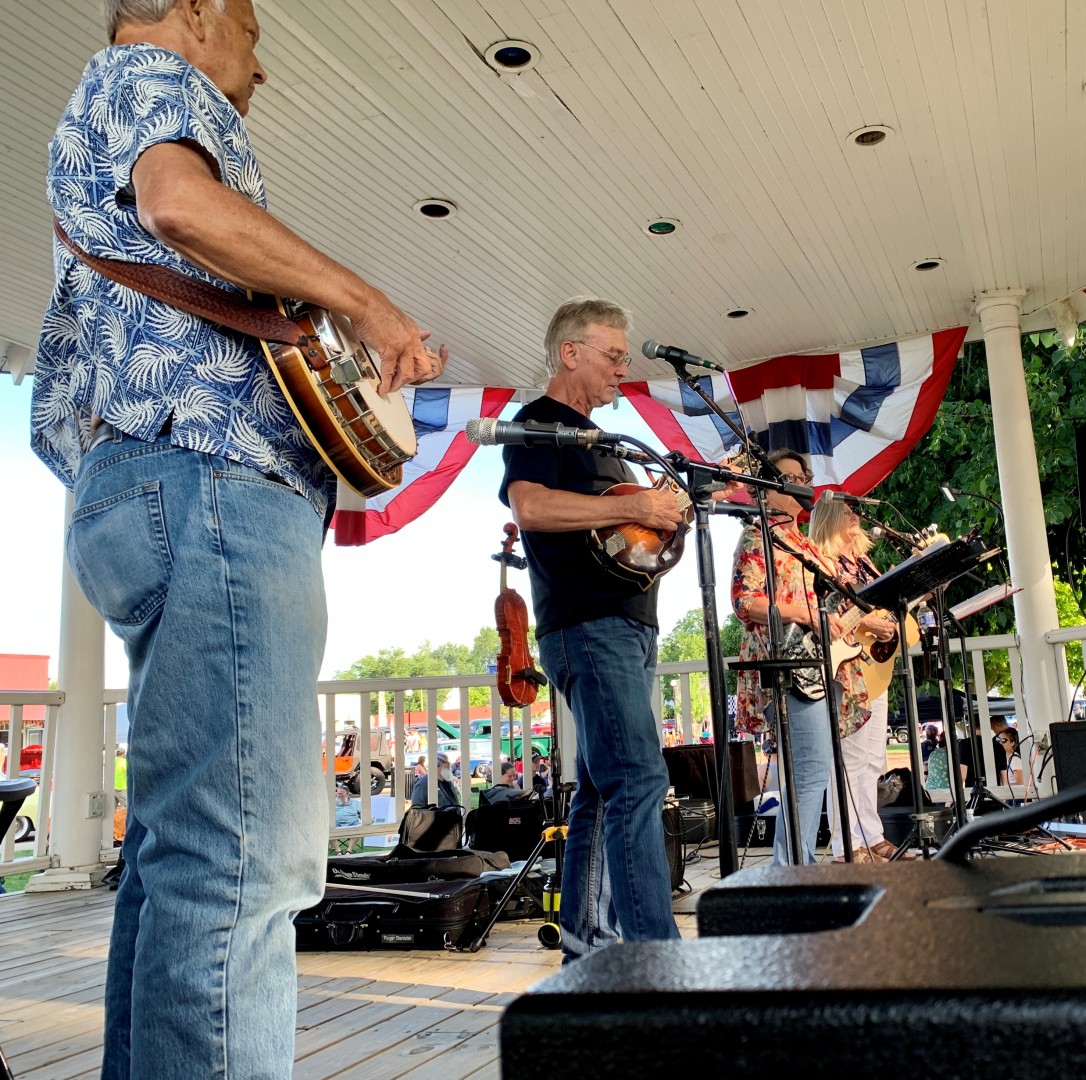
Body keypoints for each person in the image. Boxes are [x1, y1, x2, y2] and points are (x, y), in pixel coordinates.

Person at [30, 3, 446, 1076]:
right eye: (252, 34)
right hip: (210, 481)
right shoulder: (150, 75)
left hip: (148, 485)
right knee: (244, 858)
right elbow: (180, 205)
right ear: (195, 11)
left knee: (182, 856)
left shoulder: (101, 108)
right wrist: (366, 303)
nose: (260, 68)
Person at [499, 296, 741, 962]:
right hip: (589, 626)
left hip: (628, 627)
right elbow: (531, 507)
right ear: (570, 352)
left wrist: (667, 513)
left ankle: (586, 946)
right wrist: (637, 506)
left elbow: (627, 532)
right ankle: (655, 959)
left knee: (603, 793)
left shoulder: (606, 444)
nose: (622, 368)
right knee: (637, 780)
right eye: (612, 355)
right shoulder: (537, 424)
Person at [731, 451, 871, 865]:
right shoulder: (757, 537)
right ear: (764, 490)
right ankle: (793, 869)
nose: (799, 484)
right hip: (785, 665)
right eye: (788, 478)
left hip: (817, 666)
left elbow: (833, 604)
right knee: (809, 768)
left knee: (813, 769)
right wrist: (806, 615)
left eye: (802, 477)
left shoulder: (808, 545)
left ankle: (793, 868)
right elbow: (745, 601)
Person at [808, 493, 909, 863]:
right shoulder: (822, 558)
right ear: (829, 517)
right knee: (850, 757)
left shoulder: (863, 561)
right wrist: (868, 621)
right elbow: (828, 607)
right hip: (845, 666)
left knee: (872, 757)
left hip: (872, 666)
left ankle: (871, 835)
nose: (856, 515)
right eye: (847, 511)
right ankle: (846, 845)